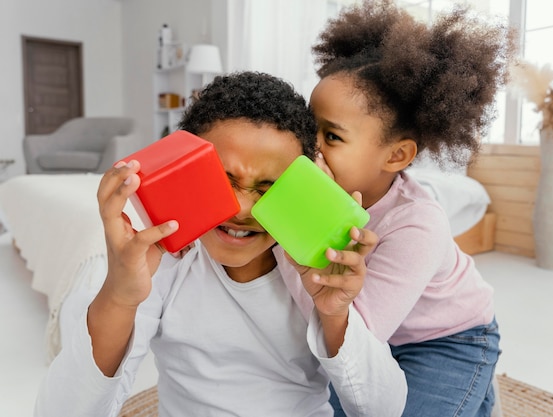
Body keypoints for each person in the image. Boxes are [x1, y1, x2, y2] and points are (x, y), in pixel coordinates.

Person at [34, 71, 408, 417]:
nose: (241, 208)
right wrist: (119, 294)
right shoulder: (163, 265)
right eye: (222, 180)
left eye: (268, 189)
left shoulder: (315, 270)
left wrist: (335, 314)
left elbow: (383, 408)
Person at [276, 2, 517, 417]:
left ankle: (479, 393)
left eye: (331, 136)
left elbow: (356, 333)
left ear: (397, 155)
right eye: (308, 126)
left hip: (449, 339)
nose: (310, 145)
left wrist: (298, 221)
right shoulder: (307, 189)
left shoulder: (418, 223)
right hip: (380, 336)